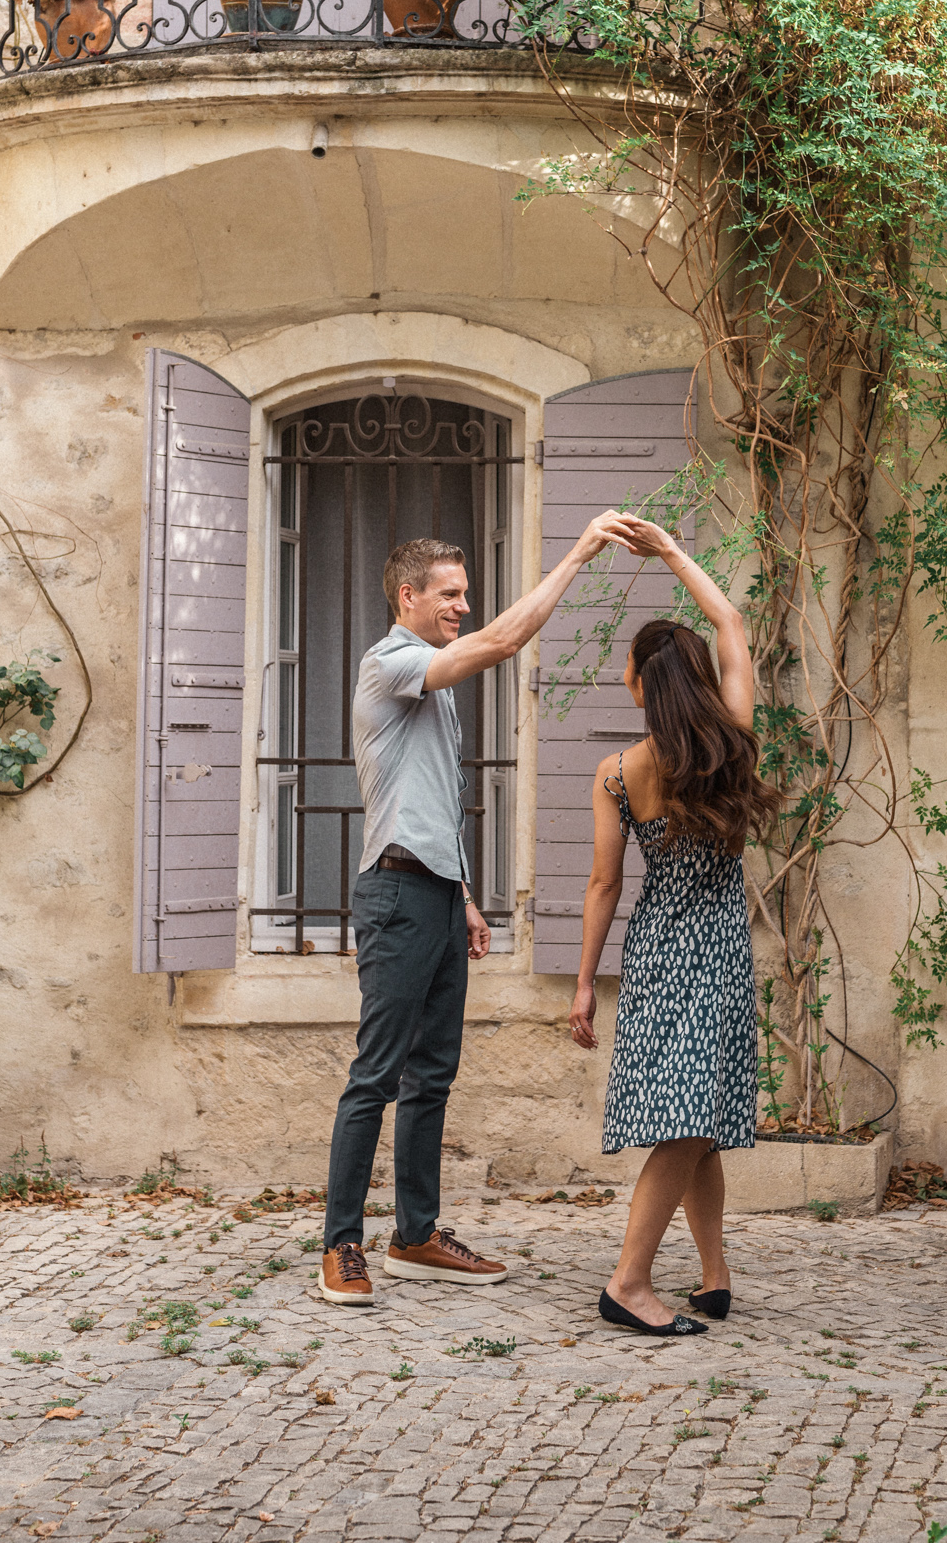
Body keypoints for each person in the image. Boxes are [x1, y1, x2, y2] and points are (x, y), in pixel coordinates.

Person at [318, 510, 635, 1306]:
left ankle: (416, 1234)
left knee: (433, 1074)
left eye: (465, 593)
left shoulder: (428, 674)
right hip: (391, 893)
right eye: (450, 594)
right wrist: (580, 551)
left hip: (431, 893)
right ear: (408, 596)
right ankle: (342, 1245)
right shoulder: (388, 662)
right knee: (376, 1076)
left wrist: (460, 894)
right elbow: (499, 645)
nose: (463, 605)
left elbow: (429, 797)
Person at [569, 516, 775, 1336]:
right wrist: (673, 554)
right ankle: (636, 1283)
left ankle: (686, 1276)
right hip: (717, 945)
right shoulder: (731, 745)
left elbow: (603, 884)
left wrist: (586, 983)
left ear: (639, 685)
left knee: (697, 1121)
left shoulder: (619, 773)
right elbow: (731, 624)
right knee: (696, 1117)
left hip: (658, 948)